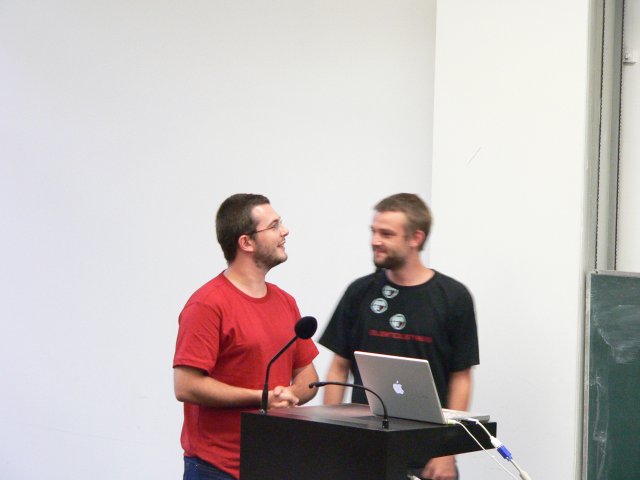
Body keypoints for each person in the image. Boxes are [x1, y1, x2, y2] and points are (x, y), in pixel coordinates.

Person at [319, 193, 479, 480]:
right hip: (362, 450)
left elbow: (461, 377)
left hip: (427, 453)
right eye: (373, 231)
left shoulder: (454, 297)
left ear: (415, 238)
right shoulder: (360, 292)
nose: (375, 240)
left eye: (386, 234)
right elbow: (338, 368)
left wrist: (447, 452)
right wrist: (331, 438)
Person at [173, 193, 319, 480]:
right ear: (246, 243)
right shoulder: (207, 304)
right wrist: (262, 398)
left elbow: (308, 377)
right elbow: (186, 386)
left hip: (274, 463)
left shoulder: (286, 302)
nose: (285, 231)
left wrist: (289, 395)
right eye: (274, 226)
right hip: (217, 469)